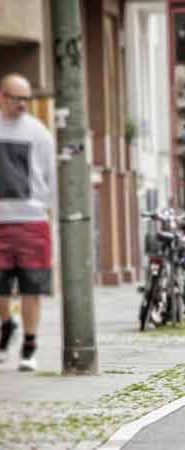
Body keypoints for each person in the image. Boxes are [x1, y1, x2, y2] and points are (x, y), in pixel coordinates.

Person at [0, 73, 56, 372]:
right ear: (3, 96)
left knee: (31, 289)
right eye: (17, 98)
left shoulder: (39, 133)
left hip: (32, 223)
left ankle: (29, 345)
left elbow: (50, 177)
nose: (23, 104)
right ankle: (7, 325)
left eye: (27, 99)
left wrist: (42, 209)